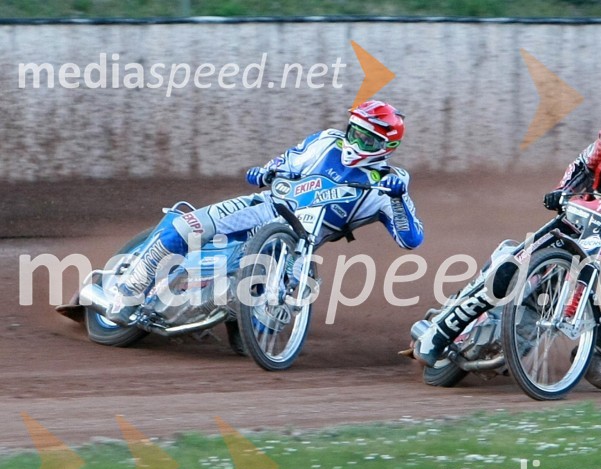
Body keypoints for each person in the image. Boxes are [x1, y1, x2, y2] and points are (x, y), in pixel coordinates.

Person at [413, 93, 601, 390]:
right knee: (507, 272)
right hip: (571, 225)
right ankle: (440, 333)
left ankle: (593, 353)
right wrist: (562, 190)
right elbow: (581, 166)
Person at [107, 99, 423, 324]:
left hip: (302, 242)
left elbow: (411, 240)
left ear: (386, 147)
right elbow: (284, 162)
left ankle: (235, 317)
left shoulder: (390, 183)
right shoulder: (326, 142)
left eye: (367, 139)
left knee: (271, 314)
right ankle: (128, 290)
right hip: (266, 207)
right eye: (355, 132)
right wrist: (264, 172)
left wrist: (398, 198)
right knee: (188, 227)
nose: (356, 141)